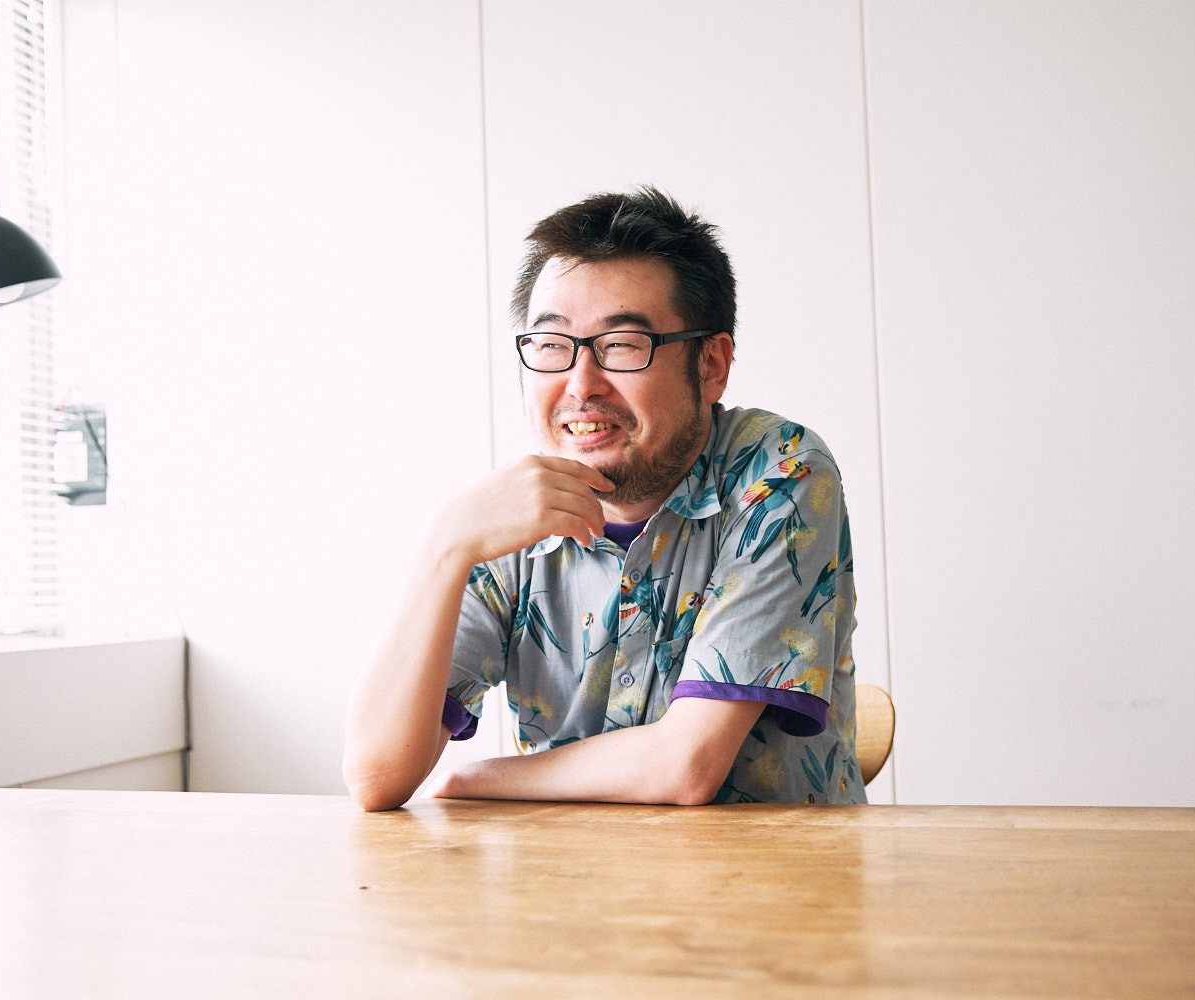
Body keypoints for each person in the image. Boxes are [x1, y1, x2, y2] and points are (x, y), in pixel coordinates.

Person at [343, 187, 865, 811]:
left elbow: (686, 766)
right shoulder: (511, 519)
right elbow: (377, 776)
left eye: (621, 345)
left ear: (711, 365)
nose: (580, 385)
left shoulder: (779, 472)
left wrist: (478, 778)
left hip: (773, 872)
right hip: (573, 871)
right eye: (551, 345)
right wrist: (444, 545)